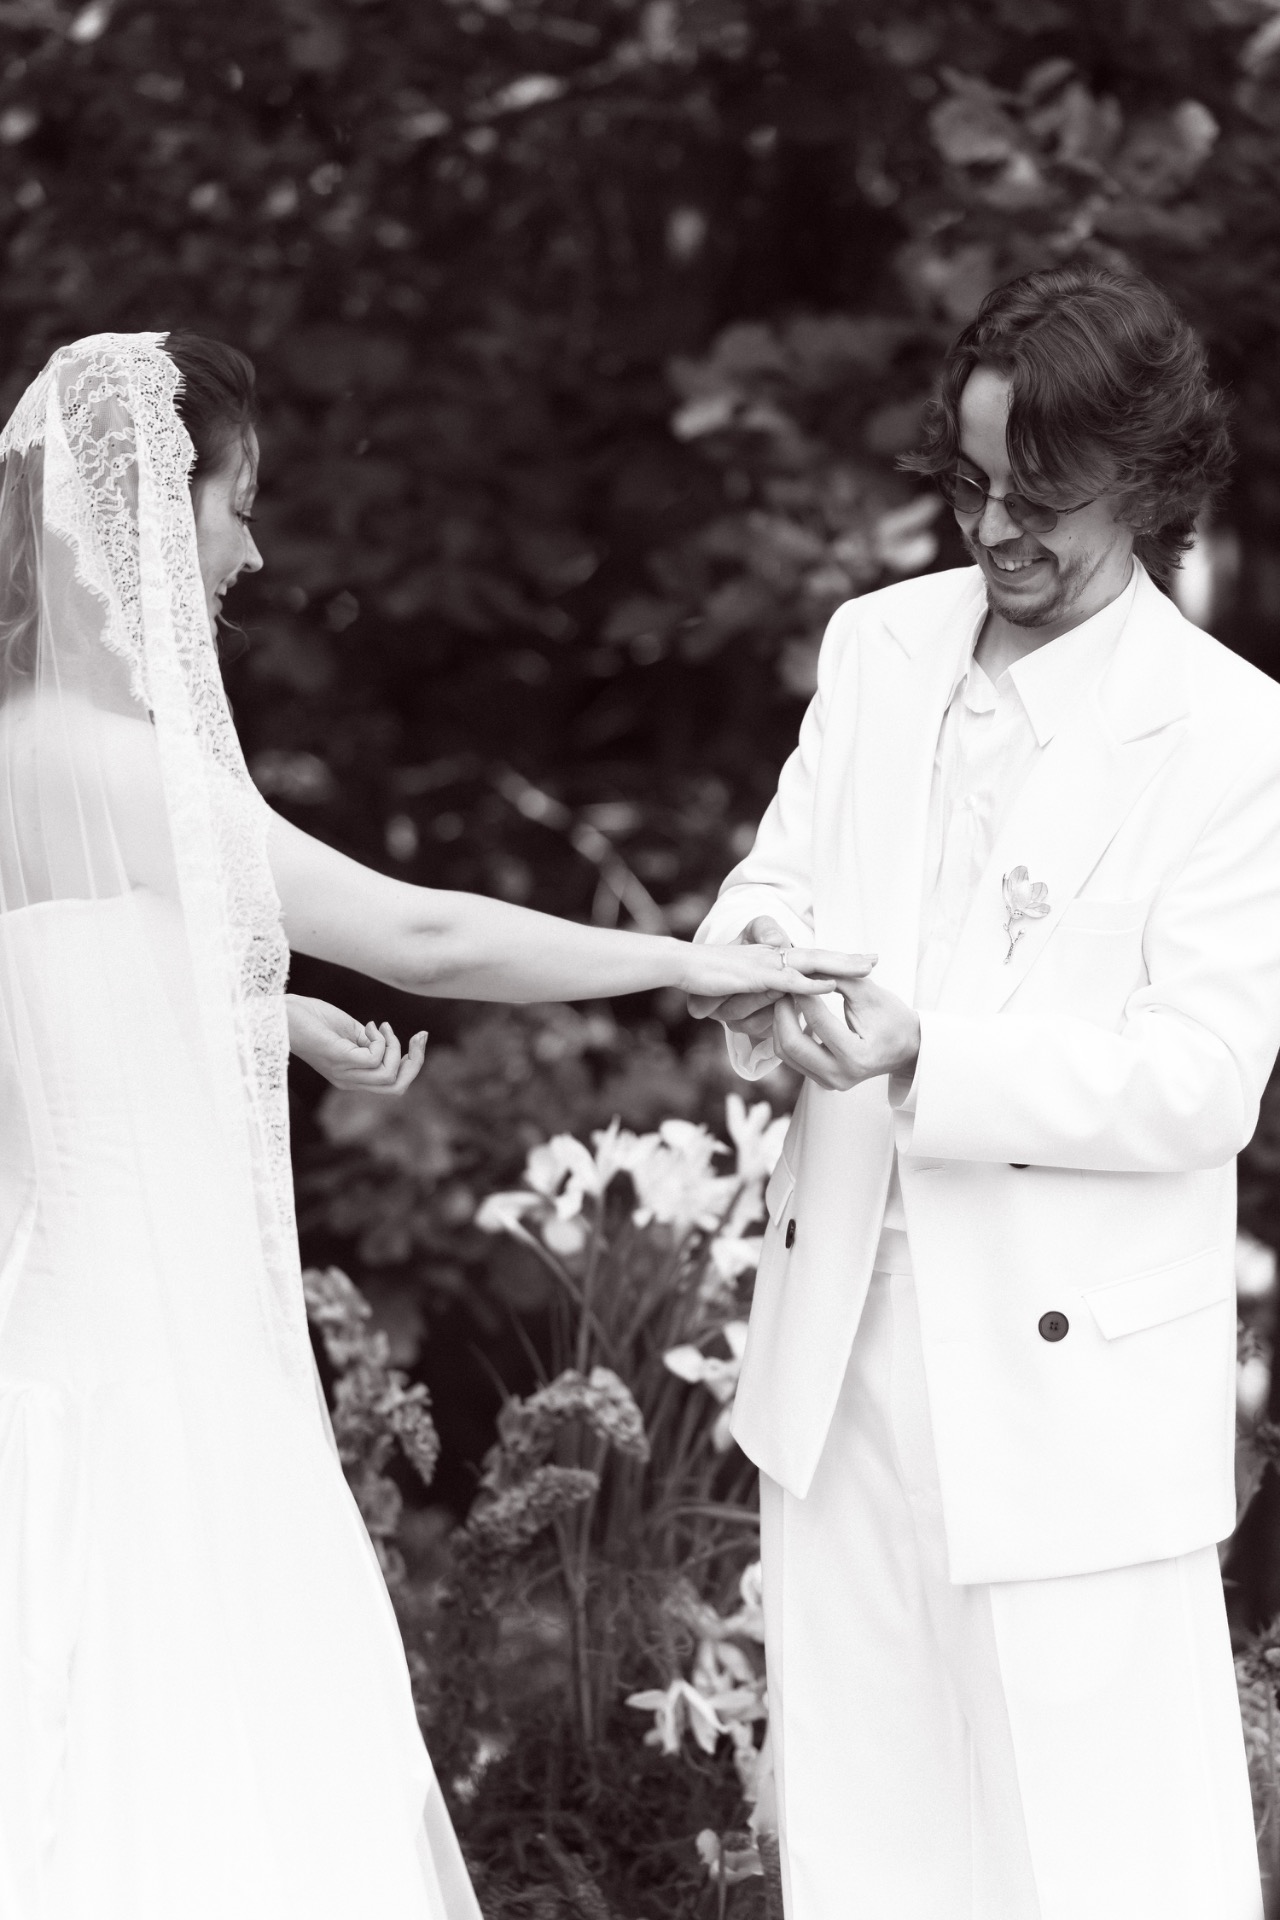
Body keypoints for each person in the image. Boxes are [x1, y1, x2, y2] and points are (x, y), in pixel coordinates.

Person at [0, 330, 855, 1920]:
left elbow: (40, 1015)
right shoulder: (124, 770)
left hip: (46, 1357)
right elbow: (423, 938)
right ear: (150, 516)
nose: (255, 549)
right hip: (163, 1382)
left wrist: (253, 1019)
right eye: (241, 502)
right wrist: (686, 962)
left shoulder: (15, 751)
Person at [690, 263, 1280, 1919]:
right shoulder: (875, 645)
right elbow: (772, 882)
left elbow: (1202, 1080)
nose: (996, 528)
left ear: (1149, 483)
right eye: (971, 483)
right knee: (869, 1854)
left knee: (1103, 1866)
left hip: (1070, 1385)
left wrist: (933, 1053)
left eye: (1042, 493)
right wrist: (761, 967)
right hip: (837, 1352)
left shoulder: (1235, 735)